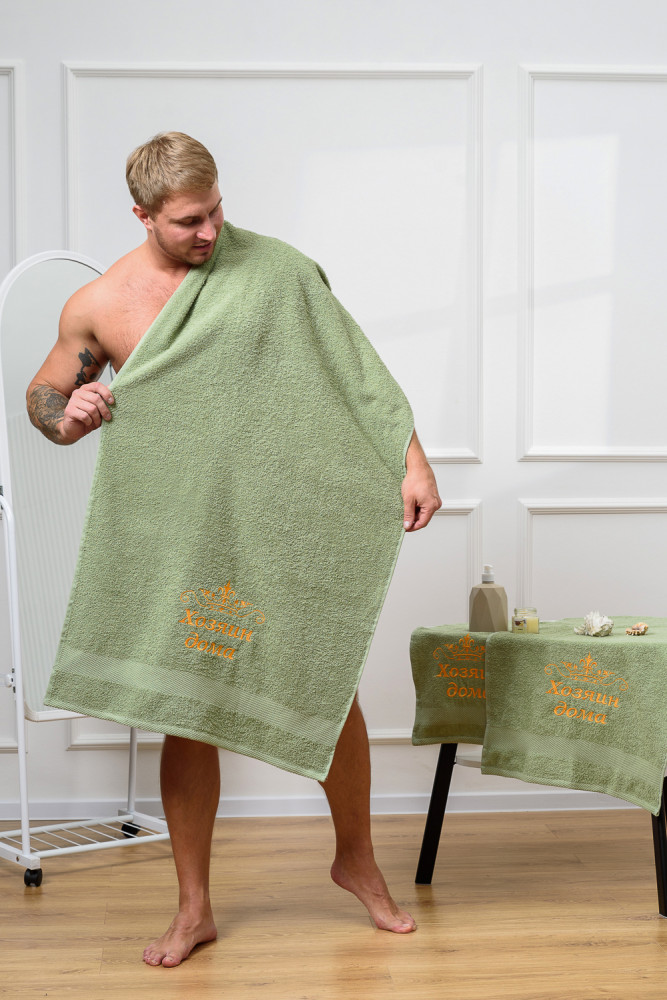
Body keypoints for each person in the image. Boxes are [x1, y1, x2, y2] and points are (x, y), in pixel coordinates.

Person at [27, 132, 442, 968]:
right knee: (186, 705)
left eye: (216, 211)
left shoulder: (276, 270)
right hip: (177, 524)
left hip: (280, 517)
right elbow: (46, 395)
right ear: (142, 215)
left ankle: (356, 861)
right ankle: (194, 909)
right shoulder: (100, 305)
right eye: (189, 221)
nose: (211, 232)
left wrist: (413, 461)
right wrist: (66, 417)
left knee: (326, 683)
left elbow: (356, 370)